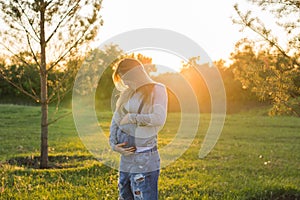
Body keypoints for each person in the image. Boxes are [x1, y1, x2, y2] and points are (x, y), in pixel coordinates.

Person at [109, 58, 168, 200]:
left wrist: (133, 117)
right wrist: (114, 146)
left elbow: (159, 118)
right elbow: (115, 119)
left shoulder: (157, 89)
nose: (125, 83)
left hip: (145, 159)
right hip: (126, 159)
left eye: (127, 78)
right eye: (123, 80)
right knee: (125, 196)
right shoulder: (128, 93)